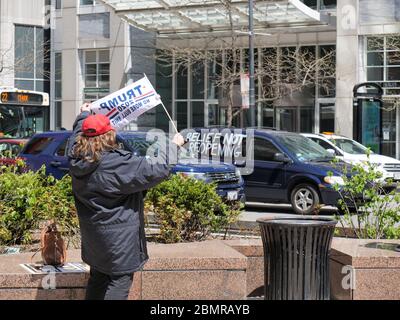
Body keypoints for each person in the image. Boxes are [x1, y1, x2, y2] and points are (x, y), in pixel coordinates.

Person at [67, 103, 184, 300]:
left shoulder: (75, 156)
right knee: (119, 281)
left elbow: (75, 136)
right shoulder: (115, 164)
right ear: (109, 136)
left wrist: (83, 115)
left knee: (98, 277)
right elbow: (158, 169)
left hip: (94, 236)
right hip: (118, 241)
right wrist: (174, 145)